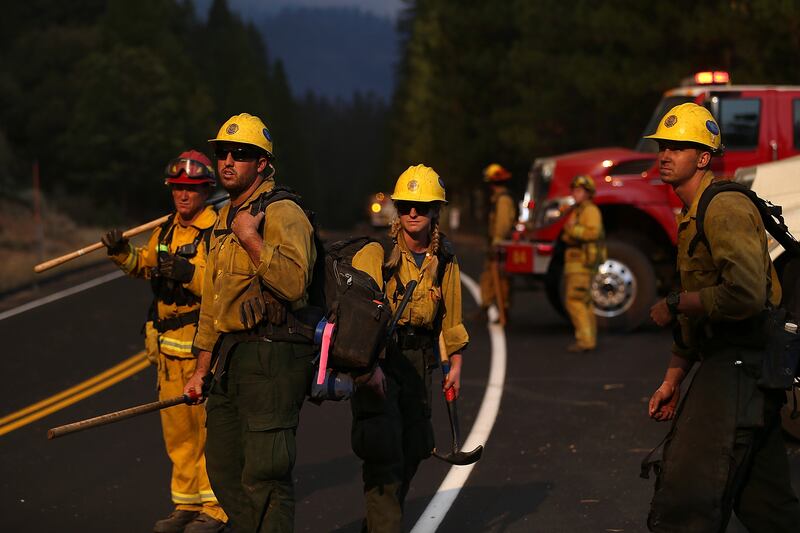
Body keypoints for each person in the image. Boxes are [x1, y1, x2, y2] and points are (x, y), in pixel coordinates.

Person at [643, 102, 800, 532]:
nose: (666, 154)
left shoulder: (724, 207)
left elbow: (745, 296)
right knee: (768, 507)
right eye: (663, 146)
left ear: (704, 157)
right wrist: (673, 379)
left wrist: (676, 303)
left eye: (680, 147)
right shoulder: (693, 213)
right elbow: (703, 316)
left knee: (687, 498)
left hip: (740, 366)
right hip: (732, 364)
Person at [184, 113, 317, 532]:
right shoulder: (225, 217)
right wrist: (201, 368)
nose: (227, 161)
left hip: (273, 359)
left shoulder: (282, 212)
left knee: (266, 474)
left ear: (262, 163)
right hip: (230, 360)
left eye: (240, 155)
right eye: (222, 152)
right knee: (223, 470)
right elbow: (213, 301)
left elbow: (295, 284)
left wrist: (251, 238)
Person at [102, 150, 228, 533]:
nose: (183, 195)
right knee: (178, 436)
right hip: (167, 350)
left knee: (208, 433)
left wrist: (190, 272)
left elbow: (223, 287)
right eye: (177, 188)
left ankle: (216, 508)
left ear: (206, 191)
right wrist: (121, 253)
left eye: (191, 189)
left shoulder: (216, 231)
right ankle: (185, 505)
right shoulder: (167, 231)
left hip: (201, 349)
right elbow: (145, 265)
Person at [349, 164, 469, 532]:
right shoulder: (377, 252)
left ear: (436, 210)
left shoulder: (444, 258)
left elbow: (451, 317)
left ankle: (379, 523)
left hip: (420, 361)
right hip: (380, 359)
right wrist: (368, 369)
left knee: (416, 445)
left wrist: (456, 364)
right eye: (404, 206)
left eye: (421, 205)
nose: (412, 213)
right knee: (384, 454)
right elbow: (355, 319)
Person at [561, 174, 603, 352]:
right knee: (584, 302)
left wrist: (572, 230)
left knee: (575, 300)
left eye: (579, 190)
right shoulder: (578, 211)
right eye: (574, 190)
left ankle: (585, 341)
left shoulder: (590, 211)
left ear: (588, 193)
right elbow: (565, 236)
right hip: (577, 263)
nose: (574, 193)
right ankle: (589, 338)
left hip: (582, 263)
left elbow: (593, 233)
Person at [478, 163, 516, 322]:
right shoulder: (499, 199)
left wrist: (497, 243)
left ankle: (503, 310)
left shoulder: (503, 200)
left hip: (500, 246)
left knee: (501, 279)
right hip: (496, 245)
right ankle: (486, 308)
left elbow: (502, 225)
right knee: (488, 277)